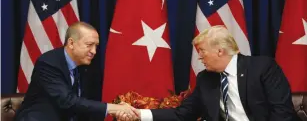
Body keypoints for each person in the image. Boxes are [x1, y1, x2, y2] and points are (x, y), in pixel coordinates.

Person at [115, 25, 299, 121]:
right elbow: (183, 114)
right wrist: (140, 115)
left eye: (202, 51)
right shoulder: (206, 78)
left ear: (220, 51)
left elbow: (282, 113)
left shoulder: (262, 67)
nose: (200, 58)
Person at [15, 22, 138, 121]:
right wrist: (113, 108)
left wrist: (118, 113)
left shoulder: (86, 66)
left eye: (96, 46)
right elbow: (67, 102)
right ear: (71, 43)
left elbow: (87, 104)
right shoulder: (48, 63)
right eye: (89, 45)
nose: (94, 51)